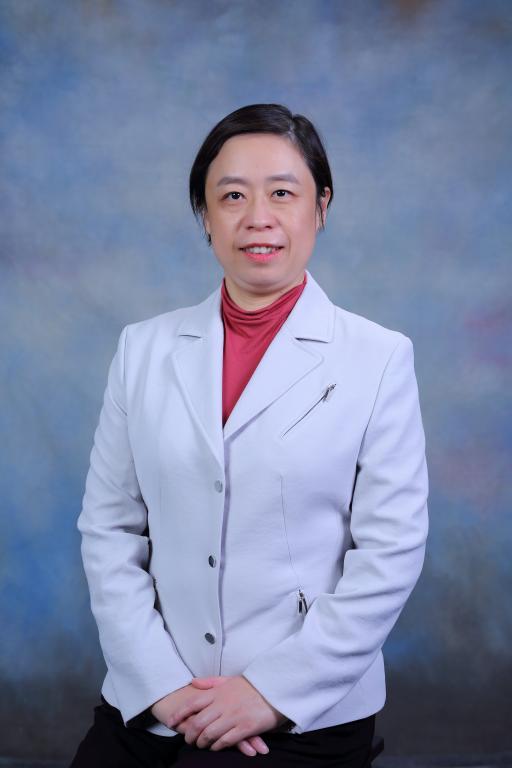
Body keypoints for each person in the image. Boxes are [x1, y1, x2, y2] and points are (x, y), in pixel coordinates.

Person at [70, 103, 429, 767]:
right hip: (155, 700)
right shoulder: (142, 349)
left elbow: (392, 551)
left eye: (282, 193)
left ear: (321, 207)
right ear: (205, 215)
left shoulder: (378, 358)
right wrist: (162, 685)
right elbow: (108, 529)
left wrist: (270, 692)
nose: (258, 217)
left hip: (302, 713)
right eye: (232, 195)